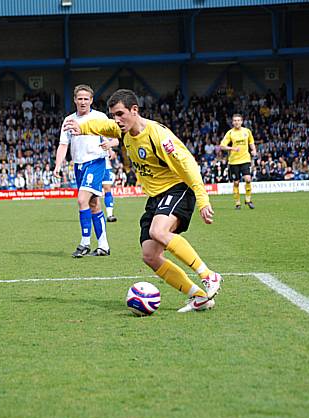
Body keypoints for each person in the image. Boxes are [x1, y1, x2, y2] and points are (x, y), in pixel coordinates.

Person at [64, 89, 222, 313]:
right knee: (149, 255)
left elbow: (189, 167)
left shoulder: (159, 136)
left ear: (134, 110)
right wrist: (83, 128)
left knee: (159, 231)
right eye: (113, 115)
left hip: (177, 189)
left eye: (120, 114)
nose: (117, 120)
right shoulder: (124, 131)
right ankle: (198, 296)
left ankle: (209, 275)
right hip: (155, 197)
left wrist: (203, 200)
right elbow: (104, 126)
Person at [54, 84, 117, 258]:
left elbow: (117, 138)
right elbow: (63, 144)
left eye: (86, 98)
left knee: (82, 200)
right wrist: (58, 165)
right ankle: (103, 245)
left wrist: (109, 145)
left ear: (91, 100)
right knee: (94, 205)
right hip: (79, 166)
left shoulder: (100, 117)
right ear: (75, 100)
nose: (83, 101)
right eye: (79, 98)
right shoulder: (68, 120)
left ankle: (84, 243)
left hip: (96, 162)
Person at [219, 113, 257, 209]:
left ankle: (248, 200)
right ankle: (237, 203)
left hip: (245, 159)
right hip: (234, 161)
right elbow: (222, 146)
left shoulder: (247, 131)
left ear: (242, 121)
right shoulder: (230, 133)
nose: (237, 122)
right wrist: (232, 148)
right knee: (236, 182)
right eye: (235, 120)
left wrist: (254, 150)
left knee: (248, 179)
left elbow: (251, 142)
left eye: (238, 120)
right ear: (232, 122)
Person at [102, 148, 118, 222]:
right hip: (92, 164)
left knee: (107, 189)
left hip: (105, 165)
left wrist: (110, 150)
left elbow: (115, 141)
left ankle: (110, 215)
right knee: (92, 191)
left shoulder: (104, 136)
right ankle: (91, 214)